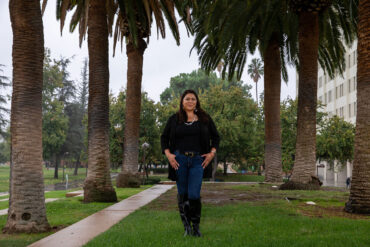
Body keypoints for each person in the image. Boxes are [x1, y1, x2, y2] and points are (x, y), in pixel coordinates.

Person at [161, 89, 220, 237]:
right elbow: (164, 138)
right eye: (187, 99)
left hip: (198, 161)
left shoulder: (204, 118)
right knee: (182, 194)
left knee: (194, 194)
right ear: (182, 101)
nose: (190, 101)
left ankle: (196, 227)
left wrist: (212, 154)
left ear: (197, 102)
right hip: (179, 161)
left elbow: (216, 137)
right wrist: (169, 155)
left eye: (193, 99)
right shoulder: (174, 119)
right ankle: (187, 228)